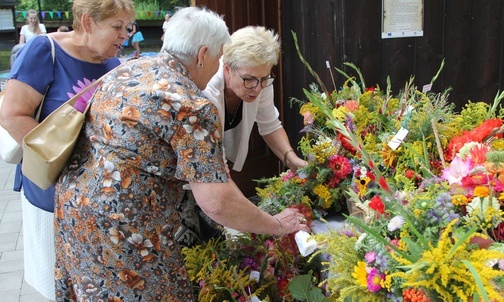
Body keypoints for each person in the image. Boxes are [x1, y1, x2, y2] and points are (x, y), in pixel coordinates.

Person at [53, 6, 310, 301]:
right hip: (128, 233)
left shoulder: (127, 70)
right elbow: (217, 201)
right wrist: (276, 224)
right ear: (202, 55)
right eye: (218, 58)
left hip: (77, 217)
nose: (219, 66)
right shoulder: (190, 105)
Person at [0, 0, 135, 300]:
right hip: (52, 190)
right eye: (116, 27)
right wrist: (64, 168)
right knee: (57, 284)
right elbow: (11, 115)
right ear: (88, 22)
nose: (124, 35)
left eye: (127, 27)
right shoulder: (44, 50)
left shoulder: (114, 64)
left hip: (95, 198)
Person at [203, 26, 306, 173]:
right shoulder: (208, 89)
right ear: (227, 69)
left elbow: (270, 125)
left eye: (264, 78)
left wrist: (294, 162)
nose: (257, 88)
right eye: (249, 79)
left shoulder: (260, 80)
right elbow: (214, 166)